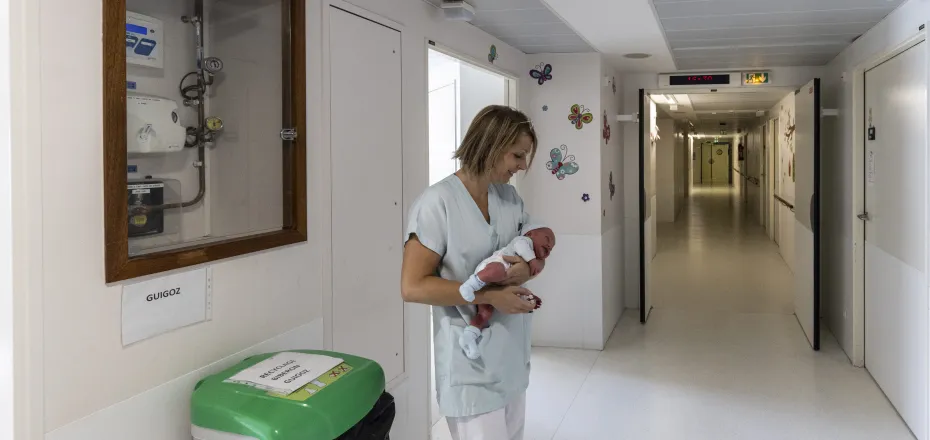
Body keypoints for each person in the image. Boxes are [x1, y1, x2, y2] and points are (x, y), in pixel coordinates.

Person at [401, 105, 540, 440]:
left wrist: (526, 269)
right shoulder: (437, 204)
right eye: (517, 155)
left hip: (511, 357)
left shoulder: (508, 197)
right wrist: (490, 296)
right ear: (491, 145)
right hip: (469, 367)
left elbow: (527, 251)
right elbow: (413, 287)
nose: (522, 166)